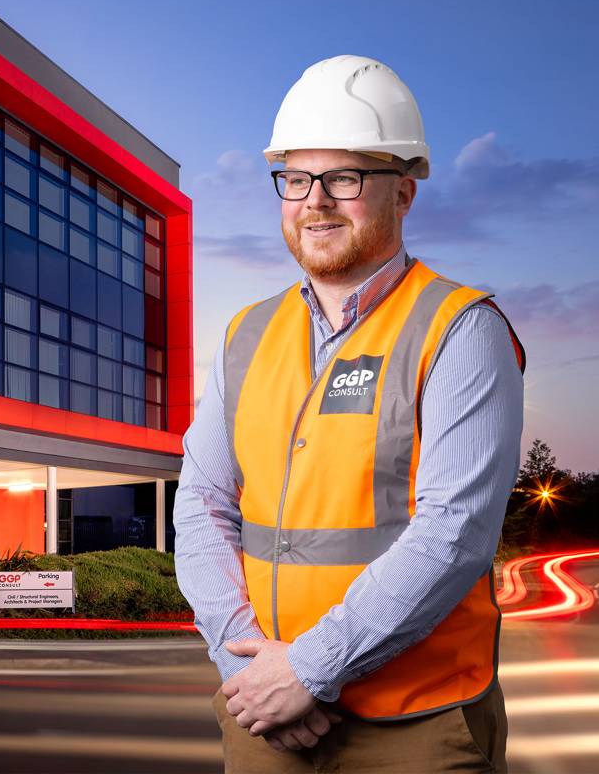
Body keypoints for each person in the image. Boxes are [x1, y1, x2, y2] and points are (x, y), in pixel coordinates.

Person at [173, 55, 525, 773]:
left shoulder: (460, 329)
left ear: (403, 191)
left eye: (345, 179)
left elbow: (453, 533)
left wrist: (306, 671)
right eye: (296, 179)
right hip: (264, 715)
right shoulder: (246, 334)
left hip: (416, 724)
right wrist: (246, 666)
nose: (315, 202)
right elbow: (202, 505)